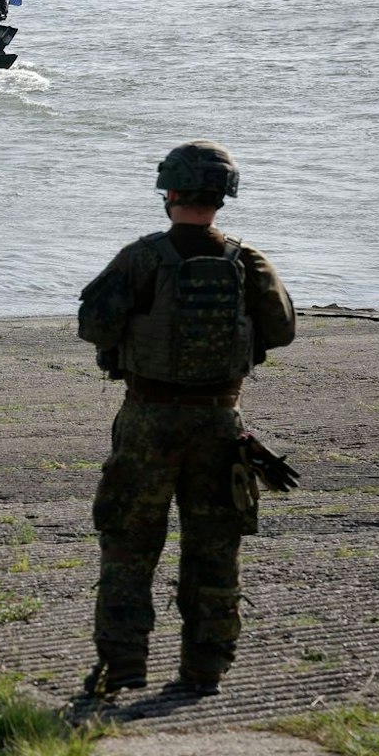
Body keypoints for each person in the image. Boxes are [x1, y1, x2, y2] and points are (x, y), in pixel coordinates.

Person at [76, 141, 295, 699]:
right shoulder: (249, 260)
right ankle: (206, 669)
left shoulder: (142, 257)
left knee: (128, 543)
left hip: (148, 419)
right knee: (214, 547)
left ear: (168, 192)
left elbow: (94, 324)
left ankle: (123, 664)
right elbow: (281, 329)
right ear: (224, 195)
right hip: (222, 423)